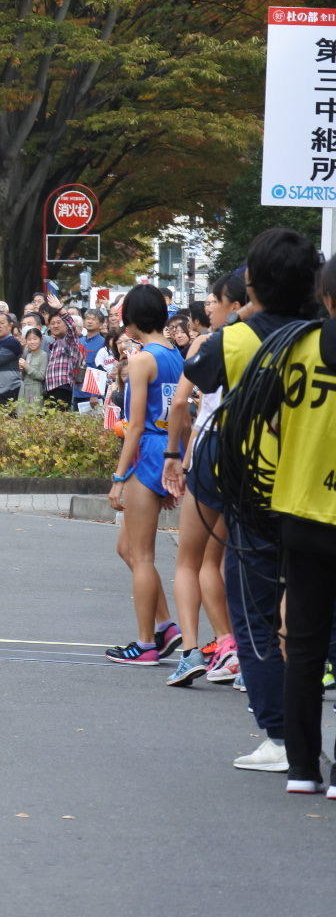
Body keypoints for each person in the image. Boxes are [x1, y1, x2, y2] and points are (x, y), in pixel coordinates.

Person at [189, 228, 324, 772]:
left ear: (250, 281)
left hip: (254, 494)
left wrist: (234, 318)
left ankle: (278, 735)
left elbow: (199, 369)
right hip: (313, 490)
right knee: (318, 619)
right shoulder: (318, 335)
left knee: (255, 619)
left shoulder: (236, 338)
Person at [215, 254, 336, 794]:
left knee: (304, 643)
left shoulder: (294, 347)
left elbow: (255, 419)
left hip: (300, 510)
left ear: (326, 296)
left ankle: (303, 768)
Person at [160, 273, 245, 688]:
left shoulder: (211, 343)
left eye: (214, 299)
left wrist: (175, 455)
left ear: (232, 302)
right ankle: (245, 651)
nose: (208, 307)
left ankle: (202, 648)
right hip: (253, 449)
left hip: (212, 448)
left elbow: (181, 401)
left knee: (192, 560)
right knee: (236, 558)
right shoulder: (278, 341)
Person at [104, 284, 184, 666]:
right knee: (128, 548)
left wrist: (119, 477)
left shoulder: (141, 360)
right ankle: (166, 626)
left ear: (131, 320)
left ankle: (145, 643)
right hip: (167, 448)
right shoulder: (175, 355)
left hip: (147, 450)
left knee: (142, 553)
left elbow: (134, 425)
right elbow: (181, 412)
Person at [42, 309, 82, 409]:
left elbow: (72, 326)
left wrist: (60, 308)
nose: (55, 325)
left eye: (59, 322)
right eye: (52, 323)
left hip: (63, 386)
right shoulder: (54, 344)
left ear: (65, 325)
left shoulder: (69, 340)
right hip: (51, 388)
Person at [74, 309, 107, 409]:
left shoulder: (103, 343)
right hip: (77, 390)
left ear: (101, 324)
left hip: (92, 394)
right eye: (87, 318)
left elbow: (102, 369)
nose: (89, 321)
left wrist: (95, 394)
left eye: (93, 319)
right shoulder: (80, 341)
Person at [18, 328, 46, 411]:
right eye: (29, 339)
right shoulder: (28, 355)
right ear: (26, 341)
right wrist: (22, 370)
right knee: (22, 417)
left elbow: (41, 376)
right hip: (24, 390)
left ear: (41, 340)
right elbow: (23, 377)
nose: (32, 342)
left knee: (34, 416)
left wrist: (26, 366)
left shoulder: (43, 355)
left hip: (36, 390)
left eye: (35, 339)